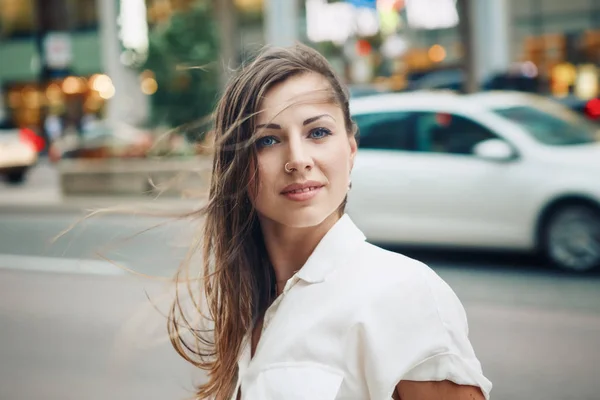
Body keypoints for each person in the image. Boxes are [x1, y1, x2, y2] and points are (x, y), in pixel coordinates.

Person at [169, 44, 492, 400]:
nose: (298, 159)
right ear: (236, 165)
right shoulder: (252, 309)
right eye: (268, 140)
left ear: (350, 150)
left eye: (318, 133)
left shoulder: (403, 293)